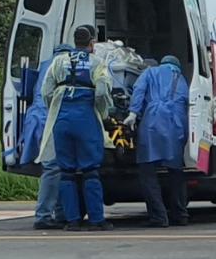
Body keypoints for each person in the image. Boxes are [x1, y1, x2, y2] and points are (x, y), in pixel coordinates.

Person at [38, 24, 114, 232]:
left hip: (62, 120)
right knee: (90, 171)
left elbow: (46, 92)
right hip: (86, 119)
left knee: (67, 172)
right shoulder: (97, 63)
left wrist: (55, 109)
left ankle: (71, 221)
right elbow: (101, 93)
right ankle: (97, 221)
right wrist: (103, 114)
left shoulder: (59, 62)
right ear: (91, 43)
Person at [123, 55, 190, 227]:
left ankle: (159, 216)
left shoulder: (150, 72)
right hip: (177, 124)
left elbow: (138, 90)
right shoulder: (181, 79)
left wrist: (133, 113)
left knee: (147, 170)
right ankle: (180, 214)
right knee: (176, 171)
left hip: (153, 121)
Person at [18, 47, 68, 230]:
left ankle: (60, 212)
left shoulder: (47, 63)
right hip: (47, 119)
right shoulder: (62, 63)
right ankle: (44, 215)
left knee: (58, 168)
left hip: (36, 118)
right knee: (53, 167)